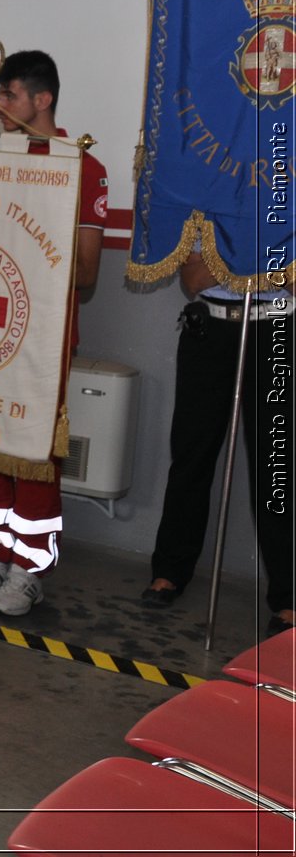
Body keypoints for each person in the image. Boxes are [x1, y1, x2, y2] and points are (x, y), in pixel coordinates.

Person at [0, 50, 107, 615]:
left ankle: (30, 567)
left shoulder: (80, 165)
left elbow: (86, 272)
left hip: (43, 335)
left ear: (42, 100)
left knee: (35, 452)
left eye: (9, 95)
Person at [142, 256, 293, 635]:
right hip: (208, 329)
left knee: (275, 466)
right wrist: (266, 259)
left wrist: (237, 259)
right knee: (191, 455)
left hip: (275, 331)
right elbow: (193, 278)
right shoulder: (209, 200)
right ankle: (171, 570)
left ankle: (289, 595)